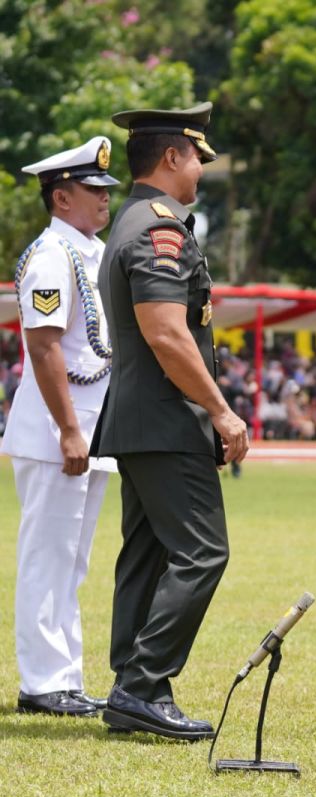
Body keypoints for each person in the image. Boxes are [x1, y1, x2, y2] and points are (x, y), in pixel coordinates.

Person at [92, 102, 248, 740]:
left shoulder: (129, 222)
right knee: (203, 552)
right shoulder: (158, 231)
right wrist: (220, 410)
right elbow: (166, 333)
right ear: (172, 157)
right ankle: (142, 685)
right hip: (165, 420)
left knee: (148, 554)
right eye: (197, 158)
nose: (201, 172)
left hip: (139, 418)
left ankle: (132, 682)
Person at [1, 137, 120, 717]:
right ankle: (43, 684)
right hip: (59, 433)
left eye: (106, 190)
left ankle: (64, 677)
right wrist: (70, 430)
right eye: (94, 190)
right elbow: (43, 346)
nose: (104, 199)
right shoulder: (52, 254)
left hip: (88, 430)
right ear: (61, 195)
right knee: (48, 557)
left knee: (72, 561)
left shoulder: (88, 251)